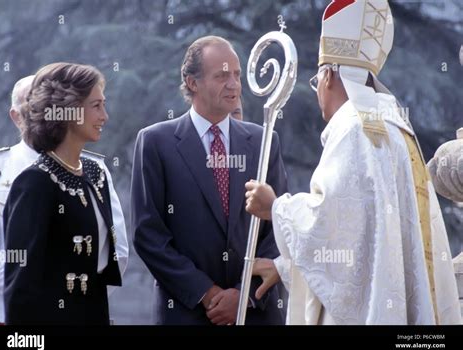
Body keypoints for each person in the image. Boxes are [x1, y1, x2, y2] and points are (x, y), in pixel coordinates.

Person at [246, 0, 461, 325]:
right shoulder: (397, 127)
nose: (318, 91)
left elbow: (329, 223)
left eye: (317, 81)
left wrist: (274, 208)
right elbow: (369, 243)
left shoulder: (353, 129)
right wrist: (285, 267)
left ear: (329, 75)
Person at [131, 36, 287, 325]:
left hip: (255, 314)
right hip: (187, 313)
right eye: (222, 76)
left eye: (237, 75)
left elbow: (278, 226)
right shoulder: (155, 142)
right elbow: (149, 235)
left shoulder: (264, 142)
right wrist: (207, 293)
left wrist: (244, 296)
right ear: (192, 83)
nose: (234, 84)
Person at [0, 75, 128, 324]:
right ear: (16, 115)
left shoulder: (93, 169)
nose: (39, 114)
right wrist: (53, 295)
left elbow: (115, 251)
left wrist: (80, 297)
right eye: (30, 107)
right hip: (12, 315)